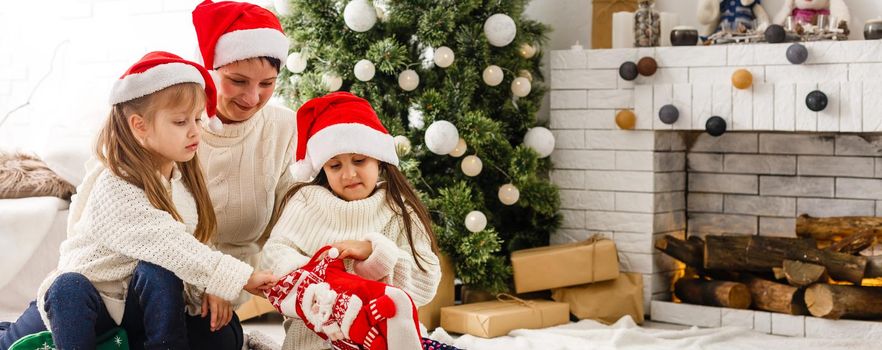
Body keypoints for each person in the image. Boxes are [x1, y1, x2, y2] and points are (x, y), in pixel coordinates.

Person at [0, 51, 276, 350]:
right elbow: (168, 242)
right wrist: (238, 277)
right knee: (64, 289)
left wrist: (213, 287)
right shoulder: (115, 185)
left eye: (197, 118)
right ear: (140, 126)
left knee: (219, 331)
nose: (195, 130)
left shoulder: (181, 181)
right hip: (88, 301)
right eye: (181, 121)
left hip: (134, 303)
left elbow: (193, 245)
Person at [261, 92, 442, 350]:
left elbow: (427, 283)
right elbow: (272, 258)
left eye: (359, 160)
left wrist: (375, 252)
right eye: (335, 165)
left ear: (379, 158)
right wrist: (327, 278)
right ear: (323, 168)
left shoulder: (399, 209)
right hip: (311, 344)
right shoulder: (306, 201)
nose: (348, 174)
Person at [190, 0, 298, 320]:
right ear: (211, 70)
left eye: (267, 84)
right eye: (237, 81)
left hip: (232, 293)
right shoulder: (180, 125)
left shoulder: (283, 127)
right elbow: (164, 228)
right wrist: (215, 275)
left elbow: (291, 221)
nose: (252, 98)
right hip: (168, 275)